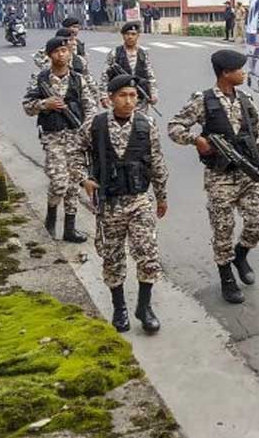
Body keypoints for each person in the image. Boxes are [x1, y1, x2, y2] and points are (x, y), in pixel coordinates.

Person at [167, 50, 259, 304]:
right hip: (220, 177)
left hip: (248, 173)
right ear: (226, 73)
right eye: (240, 69)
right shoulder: (202, 100)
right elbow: (174, 126)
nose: (244, 72)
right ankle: (227, 276)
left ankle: (241, 255)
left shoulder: (246, 99)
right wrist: (196, 139)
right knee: (223, 229)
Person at [78, 74, 169, 334]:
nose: (128, 101)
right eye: (122, 96)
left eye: (133, 96)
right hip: (110, 204)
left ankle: (144, 307)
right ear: (110, 99)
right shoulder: (94, 125)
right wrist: (83, 178)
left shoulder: (146, 124)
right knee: (113, 257)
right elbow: (75, 151)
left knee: (148, 253)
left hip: (139, 200)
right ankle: (119, 308)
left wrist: (161, 196)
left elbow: (157, 162)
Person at [22, 37, 96, 243]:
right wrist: (46, 104)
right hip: (52, 137)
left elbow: (90, 107)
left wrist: (87, 130)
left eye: (65, 50)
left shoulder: (78, 79)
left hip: (76, 137)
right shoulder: (40, 78)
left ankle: (70, 229)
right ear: (49, 55)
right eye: (57, 51)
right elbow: (27, 106)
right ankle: (51, 216)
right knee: (59, 181)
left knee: (73, 182)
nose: (61, 54)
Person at [34, 28, 101, 106]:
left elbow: (88, 79)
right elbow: (28, 104)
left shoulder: (79, 61)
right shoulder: (43, 73)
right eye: (70, 40)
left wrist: (96, 98)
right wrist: (45, 104)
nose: (74, 43)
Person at [101, 21, 157, 113]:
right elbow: (105, 76)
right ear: (123, 35)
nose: (130, 37)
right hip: (121, 98)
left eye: (133, 34)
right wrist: (104, 96)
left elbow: (150, 75)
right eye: (127, 34)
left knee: (140, 124)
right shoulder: (115, 53)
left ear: (138, 35)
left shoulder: (142, 53)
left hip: (140, 97)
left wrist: (153, 93)